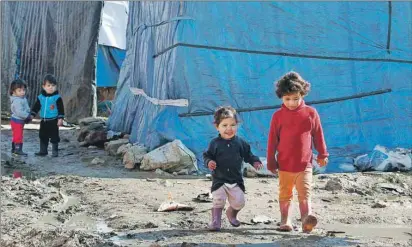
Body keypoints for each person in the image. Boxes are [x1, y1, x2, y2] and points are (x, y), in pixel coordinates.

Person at [266, 71, 329, 233]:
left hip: (305, 164)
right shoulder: (278, 116)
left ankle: (306, 221)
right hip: (285, 165)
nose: (292, 103)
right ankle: (285, 220)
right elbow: (272, 141)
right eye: (287, 99)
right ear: (281, 97)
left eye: (296, 98)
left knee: (304, 194)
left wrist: (323, 154)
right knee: (285, 194)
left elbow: (318, 135)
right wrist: (271, 161)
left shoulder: (310, 113)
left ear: (302, 94)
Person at [203, 106, 263, 231]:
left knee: (239, 202)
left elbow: (248, 155)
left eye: (232, 125)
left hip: (236, 180)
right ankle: (215, 222)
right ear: (217, 126)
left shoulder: (241, 143)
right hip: (219, 179)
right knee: (218, 200)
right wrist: (209, 162)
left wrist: (255, 162)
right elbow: (207, 155)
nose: (229, 129)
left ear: (237, 125)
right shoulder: (214, 143)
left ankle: (232, 213)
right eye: (224, 125)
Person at [30, 74, 65, 157]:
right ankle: (43, 151)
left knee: (54, 137)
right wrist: (32, 115)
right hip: (44, 121)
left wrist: (60, 119)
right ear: (43, 86)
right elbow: (36, 107)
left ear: (56, 86)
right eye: (48, 85)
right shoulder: (40, 97)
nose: (50, 87)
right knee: (42, 136)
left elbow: (61, 109)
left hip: (53, 121)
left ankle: (55, 152)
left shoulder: (57, 98)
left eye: (53, 85)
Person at [9, 79, 32, 155]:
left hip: (19, 121)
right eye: (19, 90)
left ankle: (14, 148)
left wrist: (28, 112)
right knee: (18, 135)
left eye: (23, 90)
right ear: (13, 91)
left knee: (17, 134)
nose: (22, 92)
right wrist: (27, 116)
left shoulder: (21, 98)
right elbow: (19, 112)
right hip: (17, 121)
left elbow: (25, 107)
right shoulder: (17, 101)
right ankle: (18, 150)